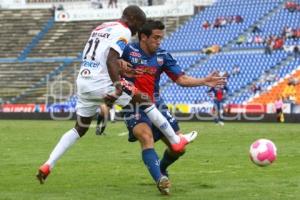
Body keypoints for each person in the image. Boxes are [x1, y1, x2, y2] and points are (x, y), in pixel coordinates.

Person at [36, 5, 198, 184]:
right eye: (139, 25)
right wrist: (117, 85)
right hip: (102, 82)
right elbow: (110, 58)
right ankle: (176, 140)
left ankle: (48, 165)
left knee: (79, 128)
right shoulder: (124, 31)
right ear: (133, 20)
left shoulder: (102, 27)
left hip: (83, 81)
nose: (137, 31)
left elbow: (101, 53)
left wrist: (122, 69)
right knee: (144, 98)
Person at [121, 20, 226, 195]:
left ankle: (162, 167)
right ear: (143, 37)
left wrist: (204, 81)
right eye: (155, 37)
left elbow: (181, 79)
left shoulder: (163, 55)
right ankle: (160, 180)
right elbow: (110, 64)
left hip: (156, 104)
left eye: (161, 38)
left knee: (179, 148)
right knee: (146, 137)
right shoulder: (127, 51)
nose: (159, 41)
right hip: (133, 106)